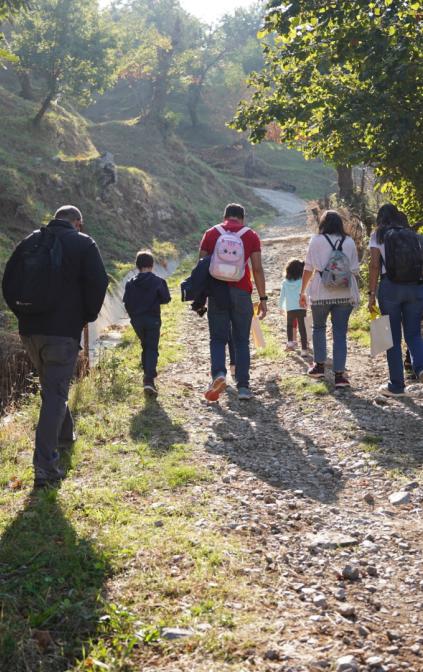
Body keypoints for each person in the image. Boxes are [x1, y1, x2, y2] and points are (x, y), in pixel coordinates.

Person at [2, 205, 109, 488]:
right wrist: (86, 316)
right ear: (77, 222)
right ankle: (45, 468)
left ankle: (64, 437)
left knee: (52, 388)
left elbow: (8, 281)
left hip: (30, 331)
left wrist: (23, 314)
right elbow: (99, 283)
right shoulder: (83, 243)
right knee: (55, 394)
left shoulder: (30, 240)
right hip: (62, 332)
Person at [199, 203, 267, 401]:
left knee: (218, 338)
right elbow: (257, 269)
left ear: (225, 216)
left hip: (217, 293)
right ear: (242, 218)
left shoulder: (212, 233)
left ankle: (219, 374)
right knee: (241, 340)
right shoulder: (250, 235)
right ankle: (244, 387)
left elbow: (201, 266)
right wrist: (262, 298)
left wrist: (201, 296)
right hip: (241, 292)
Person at [300, 210, 359, 388]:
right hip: (344, 293)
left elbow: (308, 268)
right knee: (340, 333)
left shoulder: (316, 240)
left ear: (323, 224)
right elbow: (355, 269)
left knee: (318, 328)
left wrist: (302, 291)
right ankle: (340, 376)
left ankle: (319, 367)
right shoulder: (349, 242)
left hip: (320, 292)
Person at [368, 203, 423, 396]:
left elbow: (374, 265)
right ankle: (421, 368)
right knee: (414, 334)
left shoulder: (378, 235)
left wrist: (371, 294)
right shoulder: (414, 236)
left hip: (390, 288)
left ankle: (397, 385)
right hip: (415, 288)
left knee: (392, 338)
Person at [123, 250, 171, 397]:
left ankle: (148, 374)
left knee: (145, 346)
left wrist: (133, 316)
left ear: (137, 266)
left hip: (137, 321)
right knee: (151, 348)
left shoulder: (130, 283)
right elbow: (166, 298)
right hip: (153, 319)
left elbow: (127, 302)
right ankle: (149, 379)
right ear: (152, 265)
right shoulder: (158, 281)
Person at [279, 258, 309, 356]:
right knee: (302, 328)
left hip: (290, 308)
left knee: (289, 326)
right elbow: (305, 293)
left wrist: (280, 307)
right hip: (301, 308)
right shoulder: (302, 281)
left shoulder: (285, 282)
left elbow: (282, 296)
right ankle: (304, 349)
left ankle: (290, 342)